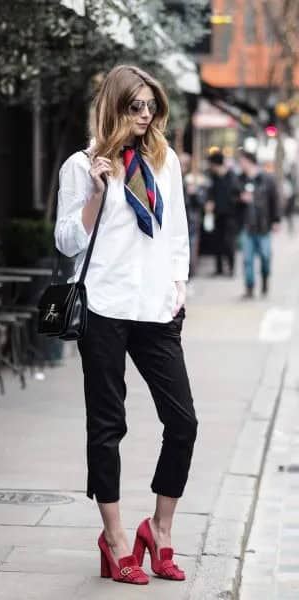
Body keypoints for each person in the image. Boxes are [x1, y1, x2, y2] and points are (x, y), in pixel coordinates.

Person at [55, 65, 197, 585]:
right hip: (103, 307)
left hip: (156, 311)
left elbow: (177, 231)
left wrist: (178, 287)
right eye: (135, 106)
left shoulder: (165, 162)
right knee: (108, 426)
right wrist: (95, 192)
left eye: (150, 107)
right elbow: (67, 241)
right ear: (114, 106)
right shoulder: (82, 164)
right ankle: (115, 540)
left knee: (183, 422)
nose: (144, 116)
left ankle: (159, 529)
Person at [237, 150, 280, 298]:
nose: (240, 164)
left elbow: (274, 200)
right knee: (247, 259)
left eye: (242, 161)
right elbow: (232, 199)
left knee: (266, 257)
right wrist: (240, 199)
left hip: (264, 226)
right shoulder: (240, 180)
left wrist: (276, 220)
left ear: (248, 161)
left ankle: (265, 280)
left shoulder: (267, 179)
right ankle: (249, 287)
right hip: (246, 226)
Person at [206, 151, 241, 277]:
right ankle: (219, 268)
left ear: (216, 164)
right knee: (217, 241)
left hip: (230, 216)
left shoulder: (232, 177)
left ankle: (231, 268)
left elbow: (237, 195)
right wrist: (210, 202)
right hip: (217, 214)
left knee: (229, 242)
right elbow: (211, 193)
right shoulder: (214, 177)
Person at [179, 153, 206, 278]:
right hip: (180, 218)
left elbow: (201, 202)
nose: (182, 167)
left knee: (190, 246)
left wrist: (194, 193)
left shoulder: (196, 180)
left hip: (191, 220)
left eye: (185, 164)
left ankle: (189, 272)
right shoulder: (176, 179)